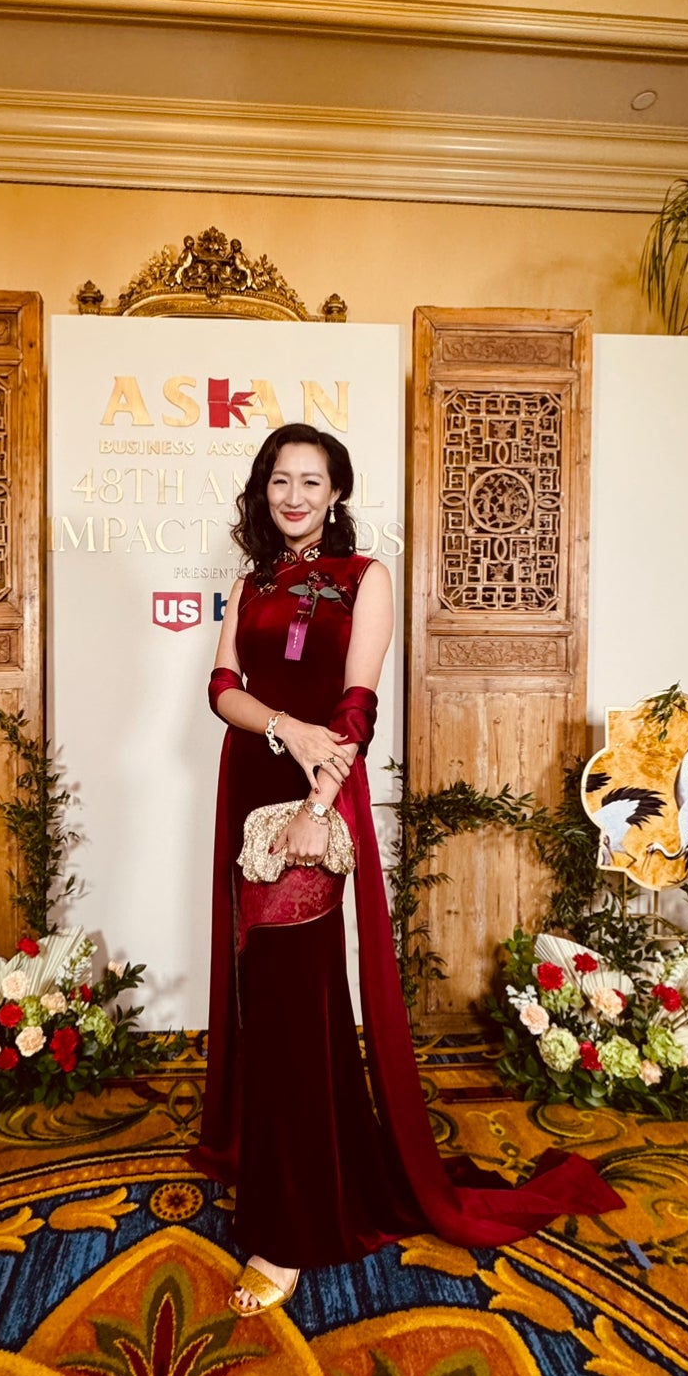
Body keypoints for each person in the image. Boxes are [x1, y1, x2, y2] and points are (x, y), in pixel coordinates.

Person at [188, 423, 622, 1316]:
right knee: (266, 998)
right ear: (263, 490)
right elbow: (220, 689)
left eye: (312, 481)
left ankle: (291, 1230)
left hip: (315, 806)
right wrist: (282, 729)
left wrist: (316, 802)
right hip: (251, 794)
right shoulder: (252, 581)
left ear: (337, 493)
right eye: (281, 480)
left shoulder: (365, 579)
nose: (295, 496)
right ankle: (317, 1165)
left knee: (298, 998)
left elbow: (356, 708)